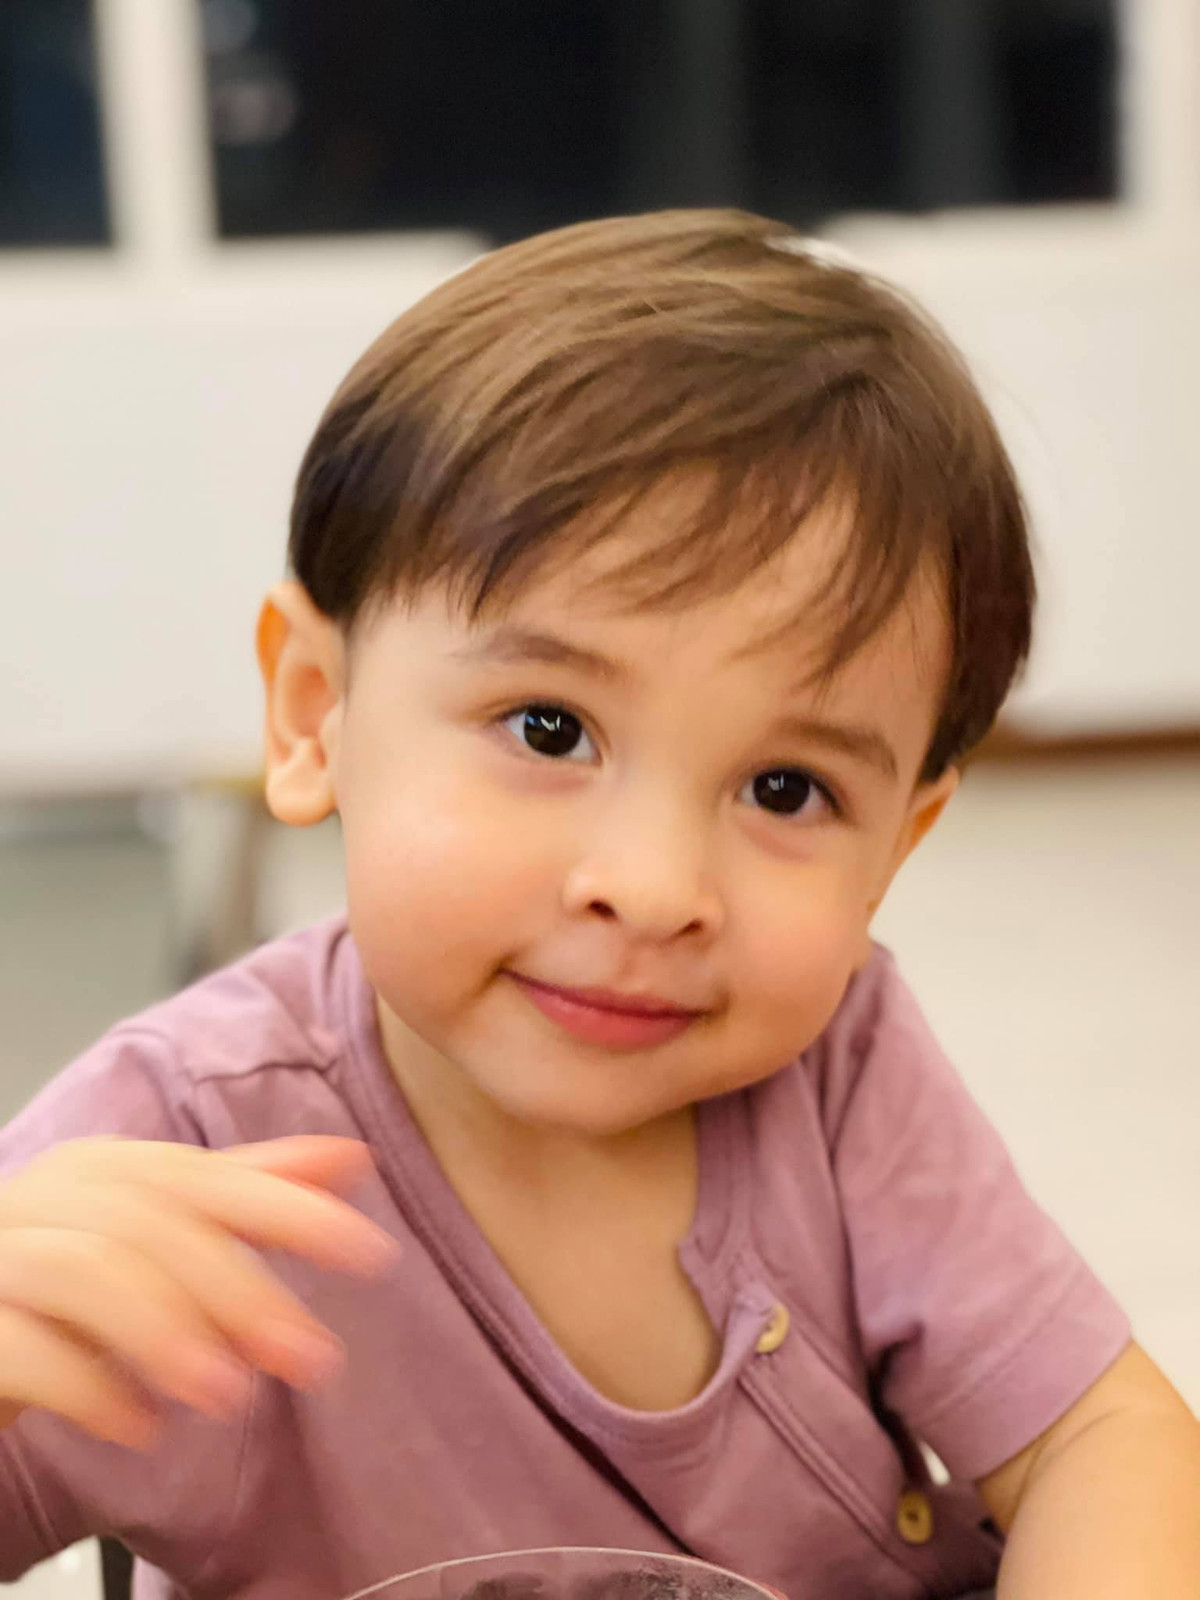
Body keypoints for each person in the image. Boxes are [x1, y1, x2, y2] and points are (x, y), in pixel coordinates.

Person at [0, 210, 1196, 1600]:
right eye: (550, 729)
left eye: (787, 789)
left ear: (898, 845)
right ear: (315, 713)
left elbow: (1103, 1440)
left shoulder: (837, 1070)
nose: (653, 888)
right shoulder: (169, 1151)